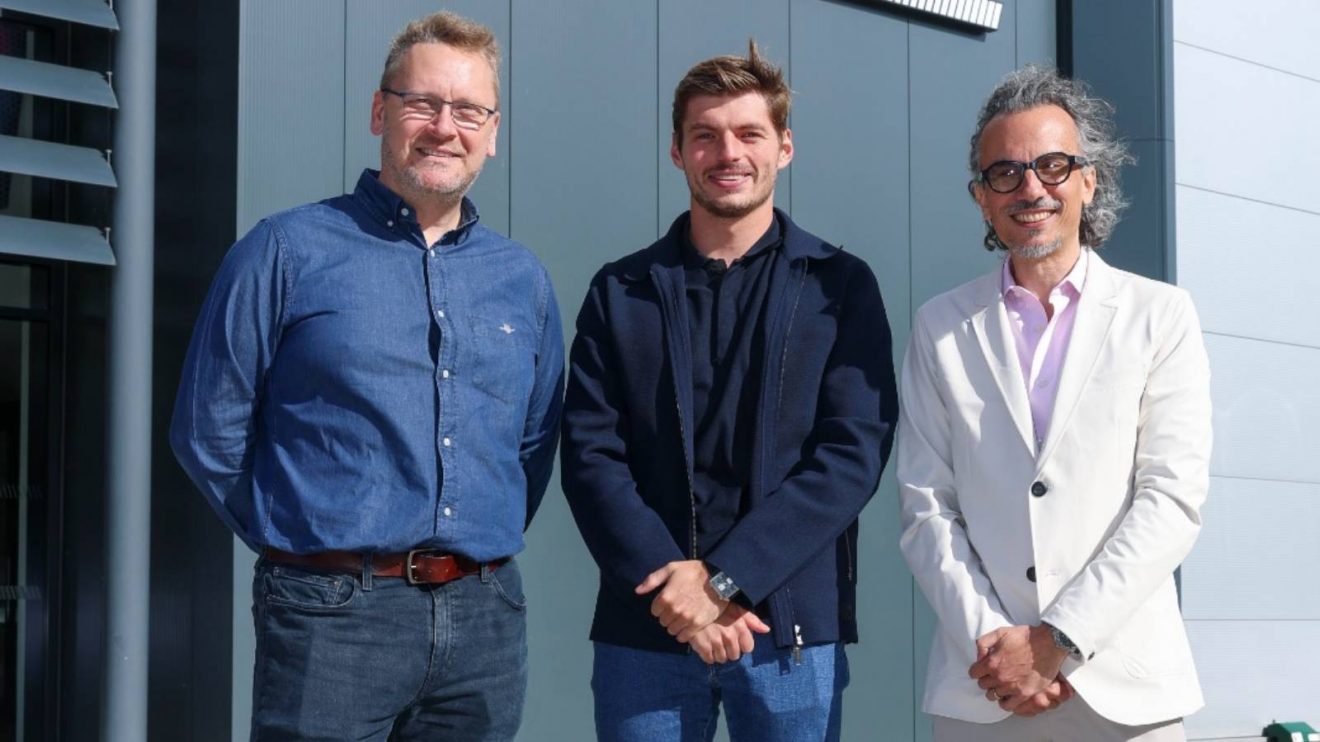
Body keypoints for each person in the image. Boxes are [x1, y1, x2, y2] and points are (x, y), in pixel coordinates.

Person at [169, 11, 563, 740]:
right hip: (331, 618)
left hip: (485, 623)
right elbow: (207, 430)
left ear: (493, 132)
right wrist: (302, 541)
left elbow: (533, 445)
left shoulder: (523, 281)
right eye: (423, 103)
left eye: (468, 110)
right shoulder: (285, 251)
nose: (444, 127)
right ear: (381, 111)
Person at [560, 40, 898, 742]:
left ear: (784, 147)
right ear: (677, 152)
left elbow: (851, 457)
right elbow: (591, 456)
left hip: (788, 630)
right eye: (705, 136)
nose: (728, 153)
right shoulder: (621, 291)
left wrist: (722, 581)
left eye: (749, 133)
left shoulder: (840, 287)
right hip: (649, 627)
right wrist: (676, 590)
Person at [898, 65, 1211, 741]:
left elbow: (1171, 499)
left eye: (1053, 165)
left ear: (1088, 180)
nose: (1031, 188)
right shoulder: (939, 326)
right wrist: (998, 647)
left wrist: (1058, 639)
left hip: (1125, 689)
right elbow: (927, 507)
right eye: (1005, 172)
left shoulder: (1161, 315)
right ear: (981, 197)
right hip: (984, 688)